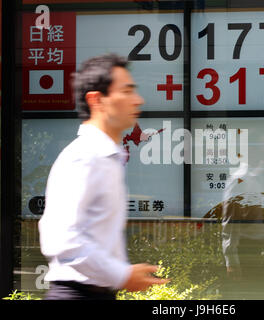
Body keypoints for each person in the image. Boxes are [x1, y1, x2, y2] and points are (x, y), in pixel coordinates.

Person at [38, 53, 169, 300]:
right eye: (127, 91)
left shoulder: (110, 157)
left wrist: (120, 276)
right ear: (97, 100)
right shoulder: (84, 157)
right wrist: (122, 275)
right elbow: (61, 238)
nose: (138, 100)